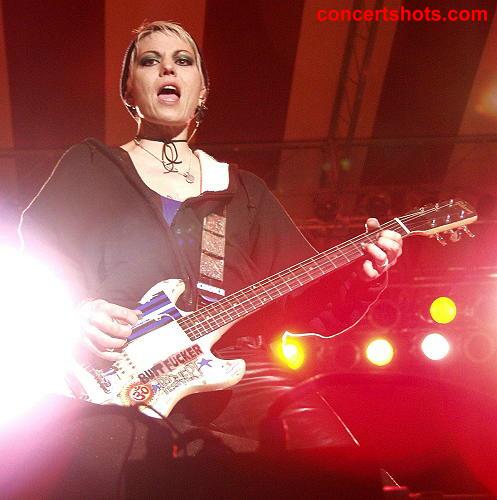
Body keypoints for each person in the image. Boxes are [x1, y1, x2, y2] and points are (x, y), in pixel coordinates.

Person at [19, 20, 402, 467]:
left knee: (339, 469)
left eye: (183, 61)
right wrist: (76, 311)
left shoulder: (242, 190)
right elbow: (36, 258)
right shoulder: (91, 166)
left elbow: (306, 302)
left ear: (201, 91)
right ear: (129, 90)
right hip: (113, 375)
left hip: (237, 370)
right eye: (150, 61)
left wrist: (362, 275)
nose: (167, 69)